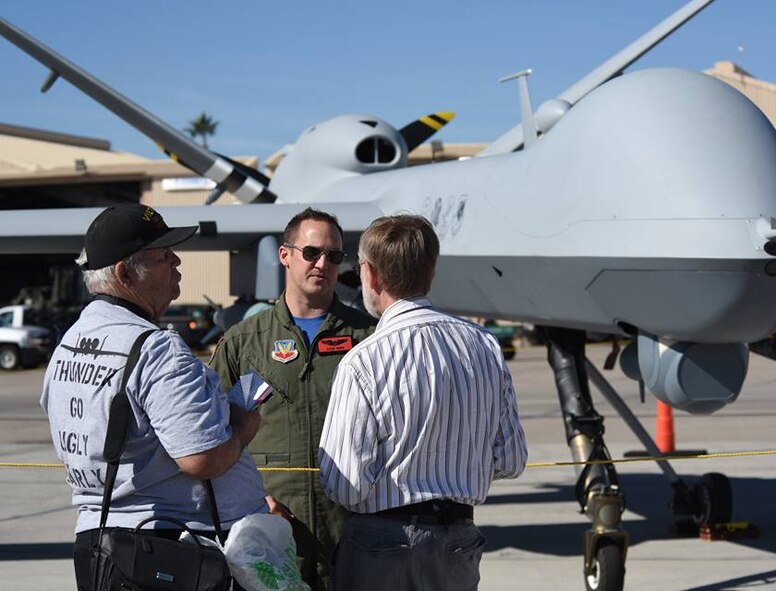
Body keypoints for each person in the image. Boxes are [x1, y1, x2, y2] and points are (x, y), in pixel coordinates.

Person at [40, 203, 267, 591]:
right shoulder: (155, 349)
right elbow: (203, 459)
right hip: (169, 554)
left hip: (105, 549)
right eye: (163, 255)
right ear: (125, 273)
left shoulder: (70, 344)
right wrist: (243, 425)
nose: (177, 261)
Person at [318, 214, 528, 591]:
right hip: (457, 540)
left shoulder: (364, 361)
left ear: (371, 275)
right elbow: (511, 460)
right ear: (430, 272)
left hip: (383, 543)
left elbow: (345, 485)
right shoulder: (484, 346)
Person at [210, 207, 375, 591]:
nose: (323, 264)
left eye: (334, 256)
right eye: (311, 252)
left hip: (352, 528)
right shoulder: (245, 342)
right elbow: (210, 434)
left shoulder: (369, 338)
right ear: (284, 255)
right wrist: (253, 500)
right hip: (272, 532)